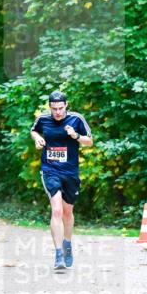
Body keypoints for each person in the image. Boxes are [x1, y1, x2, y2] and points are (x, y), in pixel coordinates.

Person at [30, 91, 94, 270]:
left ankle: (67, 243)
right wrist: (38, 139)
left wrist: (75, 136)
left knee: (67, 212)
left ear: (66, 105)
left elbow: (90, 141)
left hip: (70, 172)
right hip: (50, 170)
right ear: (49, 107)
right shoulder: (43, 119)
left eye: (60, 108)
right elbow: (33, 131)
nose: (57, 112)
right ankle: (58, 254)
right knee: (56, 211)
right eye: (54, 108)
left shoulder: (77, 119)